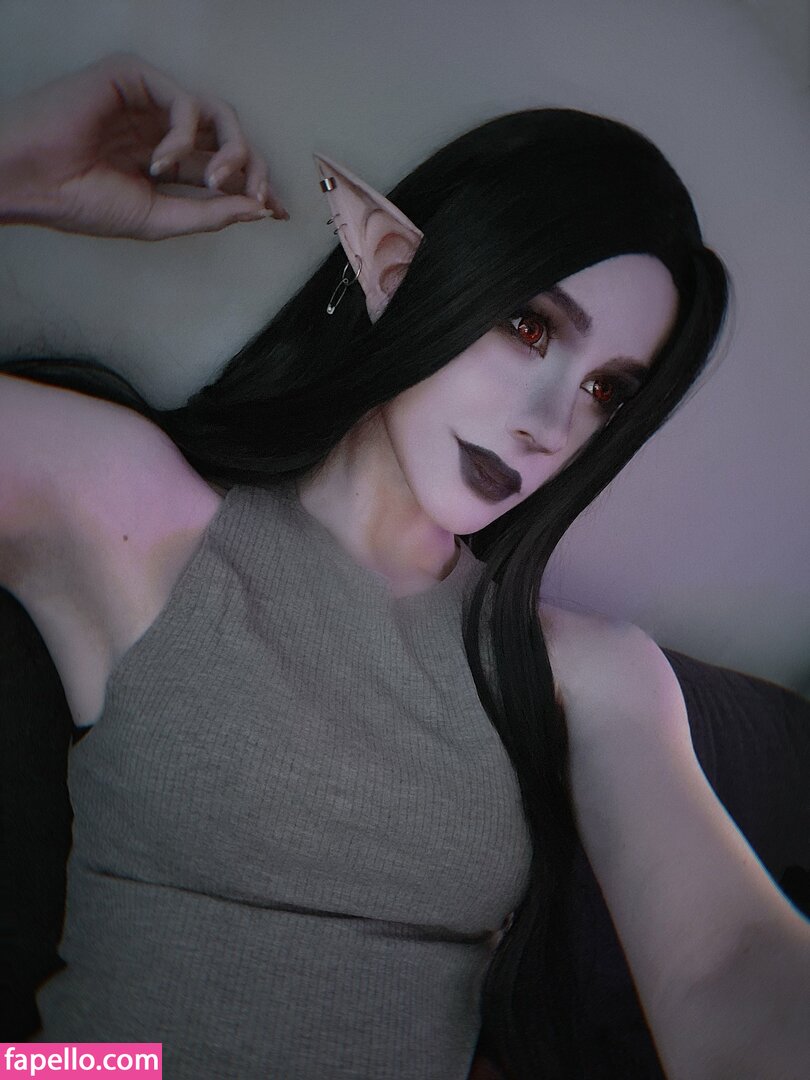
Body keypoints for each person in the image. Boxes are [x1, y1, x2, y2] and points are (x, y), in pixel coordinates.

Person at [0, 52, 807, 1080]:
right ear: (395, 268)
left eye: (606, 391)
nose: (549, 424)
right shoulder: (129, 505)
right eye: (529, 326)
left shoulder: (582, 671)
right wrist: (13, 165)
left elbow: (726, 963)